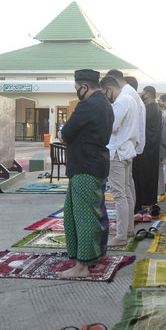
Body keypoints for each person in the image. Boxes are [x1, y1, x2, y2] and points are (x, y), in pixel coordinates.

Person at [57, 69, 114, 278]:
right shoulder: (106, 104)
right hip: (96, 164)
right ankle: (98, 253)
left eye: (76, 89)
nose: (77, 93)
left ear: (84, 87)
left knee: (83, 217)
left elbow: (66, 133)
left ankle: (82, 266)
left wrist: (61, 134)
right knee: (95, 212)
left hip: (85, 166)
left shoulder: (87, 105)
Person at [99, 75, 138, 248]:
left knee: (119, 194)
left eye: (104, 93)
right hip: (126, 149)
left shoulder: (121, 101)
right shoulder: (130, 98)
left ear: (110, 89)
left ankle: (122, 235)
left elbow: (111, 126)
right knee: (126, 191)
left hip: (118, 151)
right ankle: (127, 228)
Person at [134, 86, 161, 215]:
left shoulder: (149, 108)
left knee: (144, 177)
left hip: (147, 148)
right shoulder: (156, 107)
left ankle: (144, 204)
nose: (142, 95)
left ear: (148, 94)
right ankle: (149, 202)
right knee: (149, 176)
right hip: (151, 147)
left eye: (143, 93)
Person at [106, 70, 146, 157]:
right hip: (127, 147)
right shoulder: (130, 92)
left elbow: (112, 125)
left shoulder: (123, 96)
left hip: (119, 149)